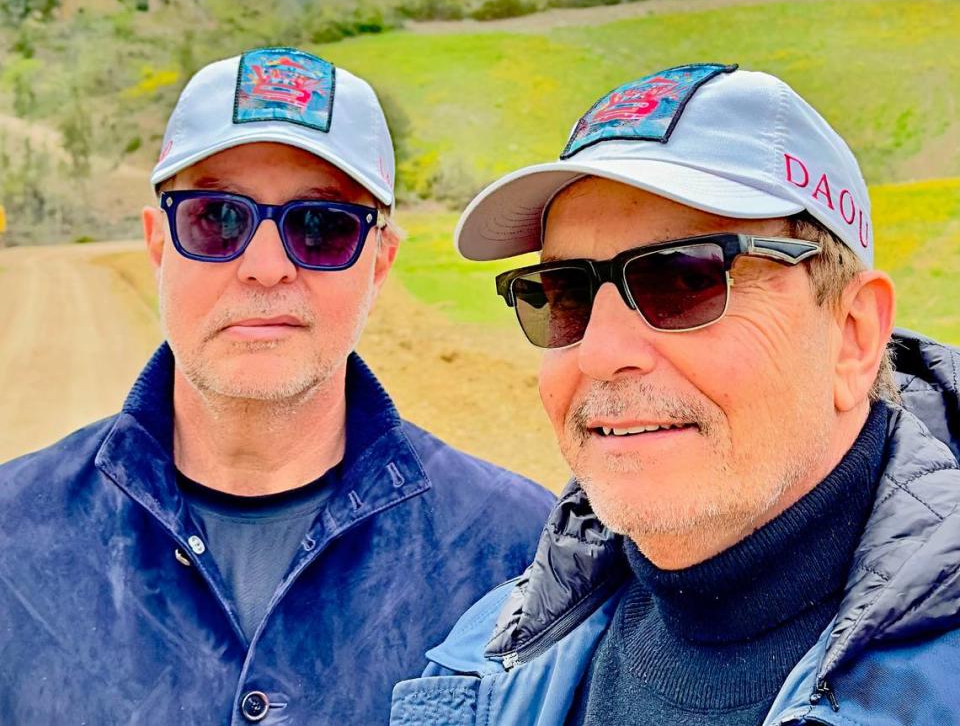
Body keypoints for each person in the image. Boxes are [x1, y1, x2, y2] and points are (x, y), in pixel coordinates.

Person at [391, 63, 960, 725]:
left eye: (683, 280)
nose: (601, 353)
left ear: (853, 335)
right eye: (566, 294)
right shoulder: (488, 662)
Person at [0, 46, 553, 725]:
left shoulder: (521, 560)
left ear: (379, 262)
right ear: (157, 245)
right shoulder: (12, 541)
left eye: (321, 228)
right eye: (216, 218)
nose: (266, 267)